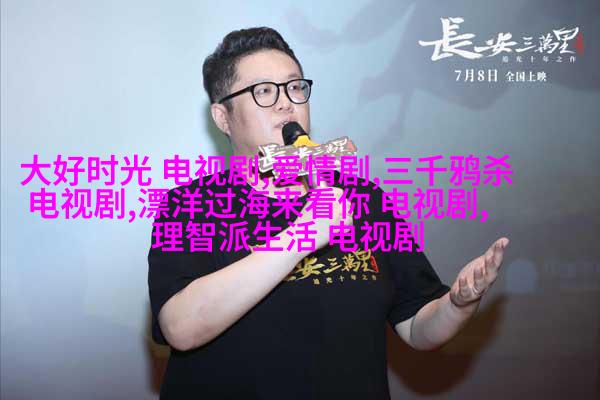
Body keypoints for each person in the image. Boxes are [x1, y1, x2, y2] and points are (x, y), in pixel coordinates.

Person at [148, 26, 509, 399]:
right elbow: (181, 327)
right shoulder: (191, 205)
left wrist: (458, 304)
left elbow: (417, 326)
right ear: (223, 117)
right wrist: (303, 235)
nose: (286, 103)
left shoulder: (363, 199)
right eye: (264, 91)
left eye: (295, 87)